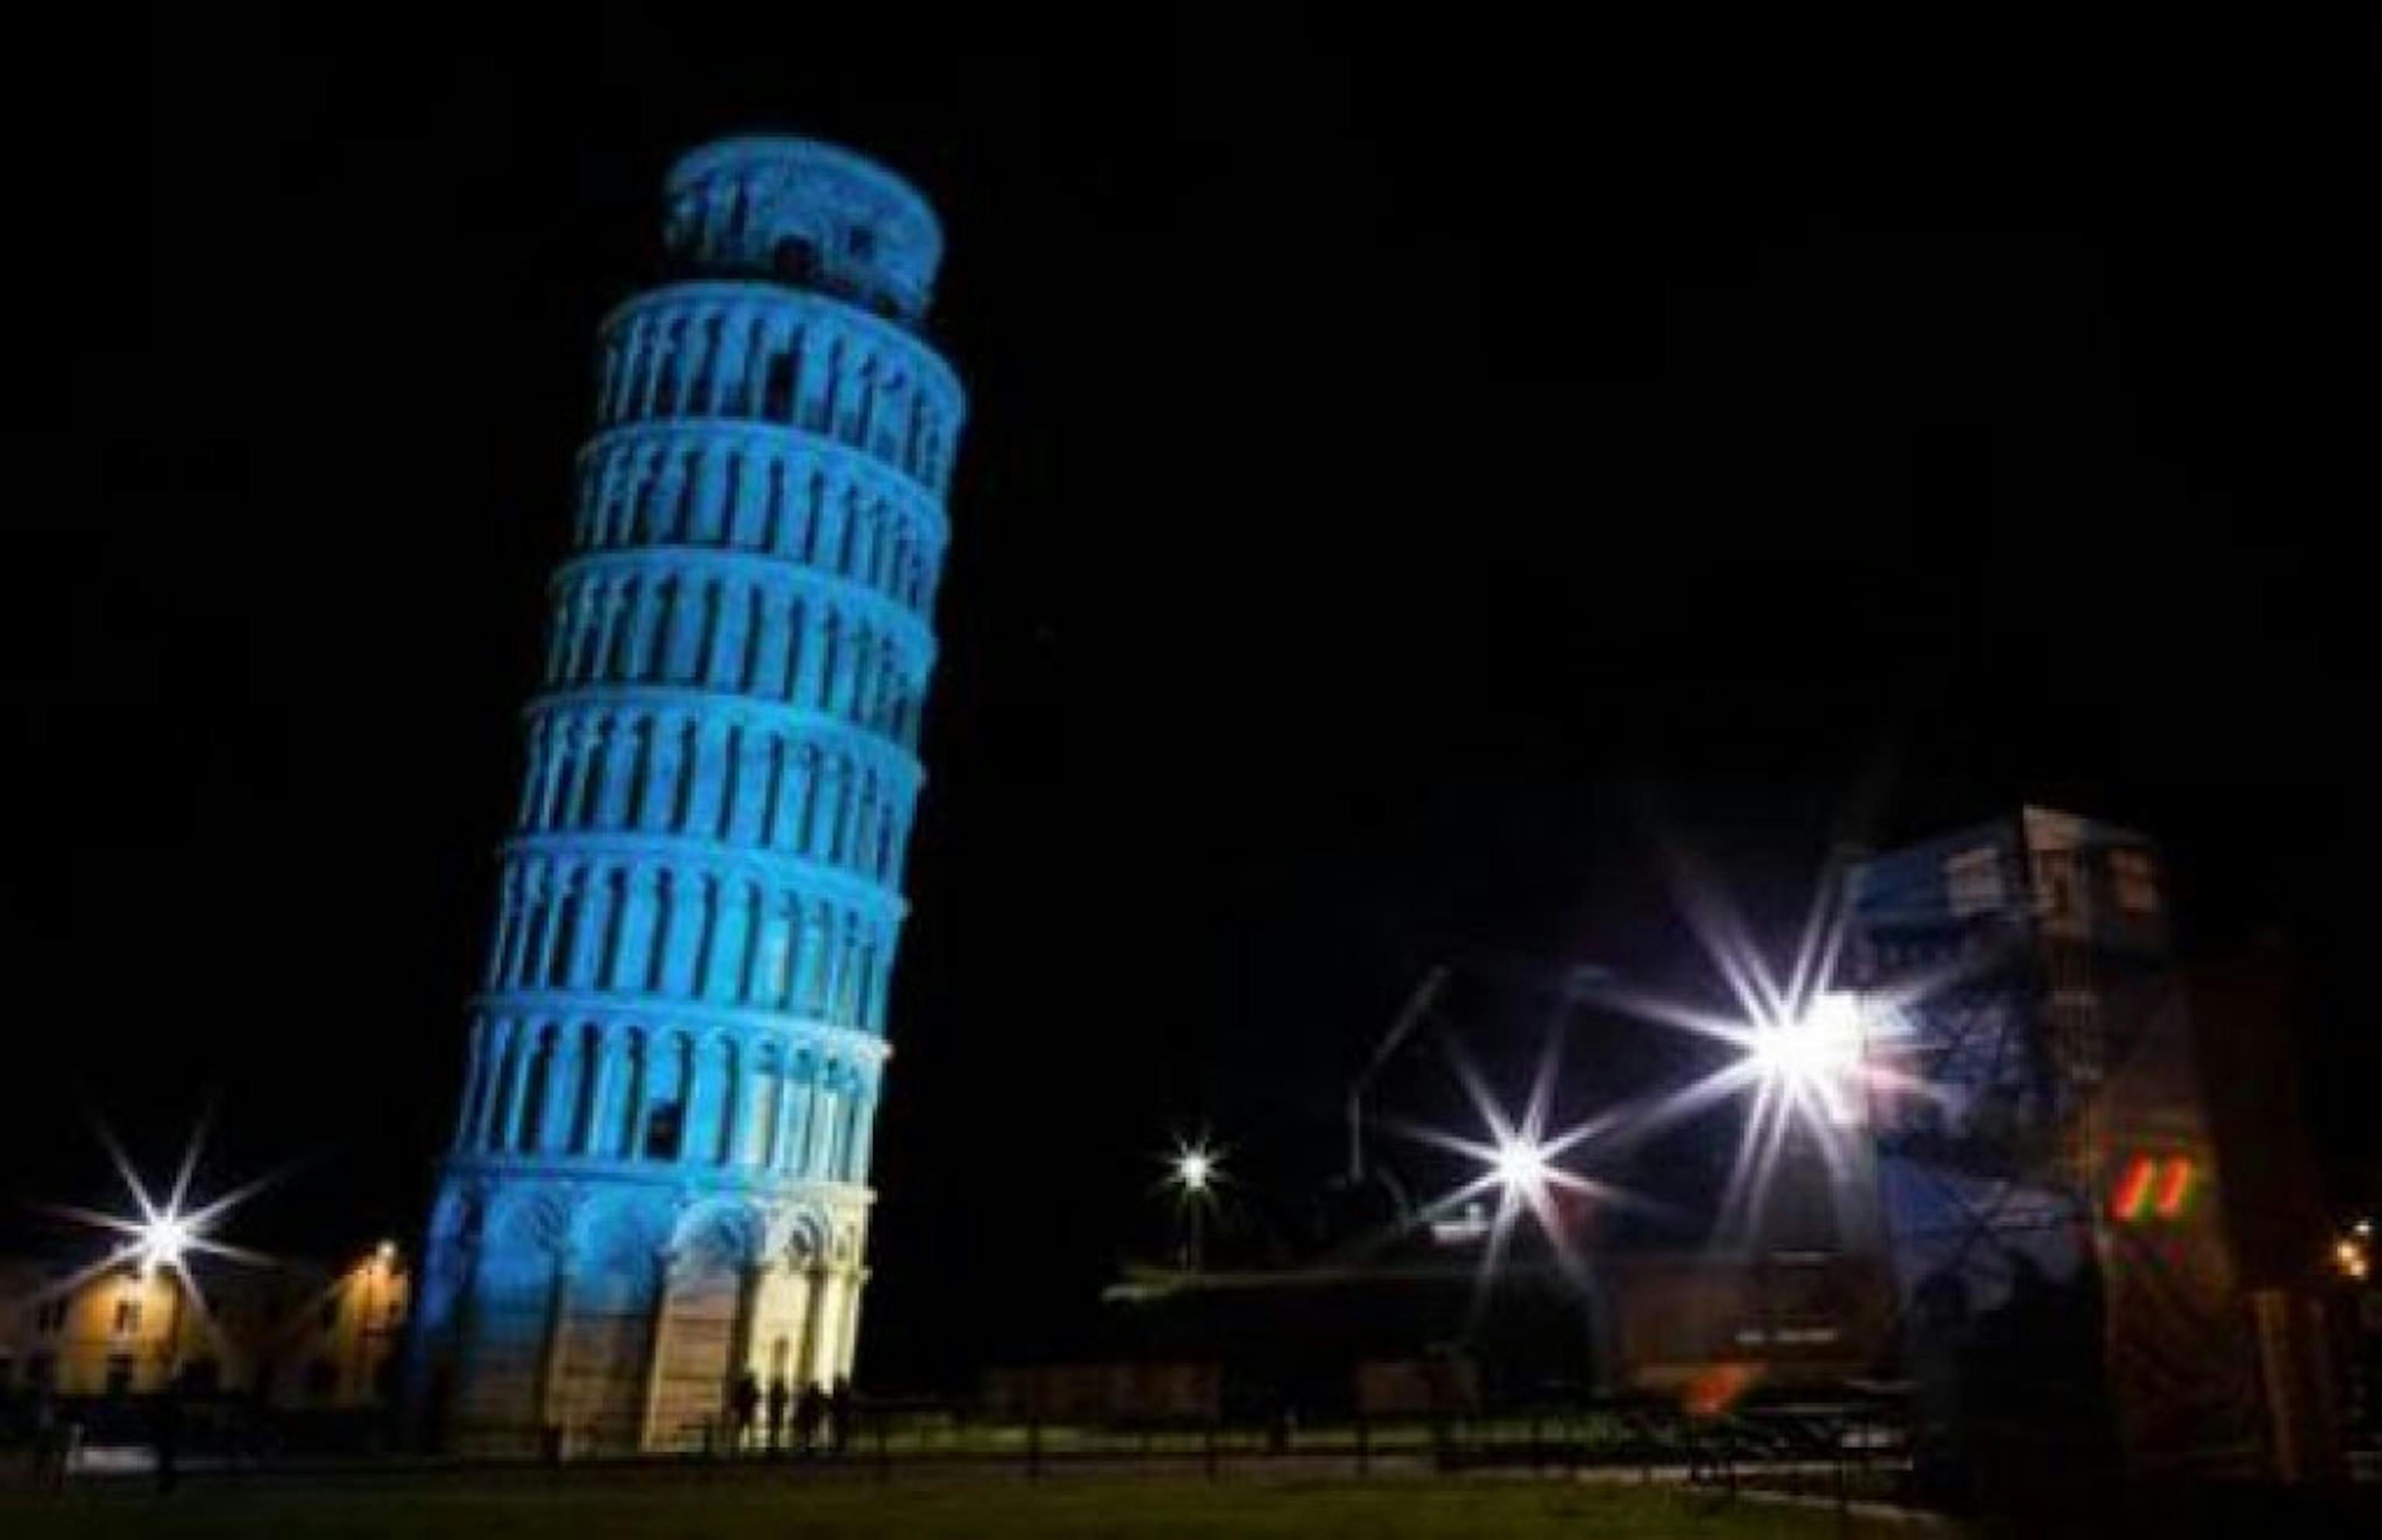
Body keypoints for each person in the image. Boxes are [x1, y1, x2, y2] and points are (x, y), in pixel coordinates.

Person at [729, 1369, 761, 1455]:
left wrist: (735, 1408)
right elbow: (757, 1397)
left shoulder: (743, 1387)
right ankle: (748, 1445)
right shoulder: (750, 1388)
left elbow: (736, 1399)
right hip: (747, 1411)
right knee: (747, 1428)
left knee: (742, 1429)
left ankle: (738, 1446)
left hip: (744, 1411)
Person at [795, 1380, 827, 1455]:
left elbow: (802, 1407)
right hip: (812, 1418)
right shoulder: (814, 1396)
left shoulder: (809, 1396)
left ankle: (810, 1446)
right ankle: (810, 1446)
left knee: (810, 1433)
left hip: (811, 1418)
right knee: (811, 1433)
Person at [828, 1376, 854, 1457]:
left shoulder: (842, 1393)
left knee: (841, 1432)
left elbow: (837, 1405)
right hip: (841, 1416)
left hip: (841, 1416)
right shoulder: (843, 1393)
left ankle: (840, 1447)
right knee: (840, 1433)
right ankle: (840, 1447)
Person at [765, 1376, 791, 1455]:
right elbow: (785, 1400)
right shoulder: (778, 1392)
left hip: (775, 1412)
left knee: (774, 1429)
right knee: (776, 1428)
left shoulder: (774, 1392)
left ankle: (773, 1444)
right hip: (777, 1412)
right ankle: (774, 1444)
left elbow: (770, 1401)